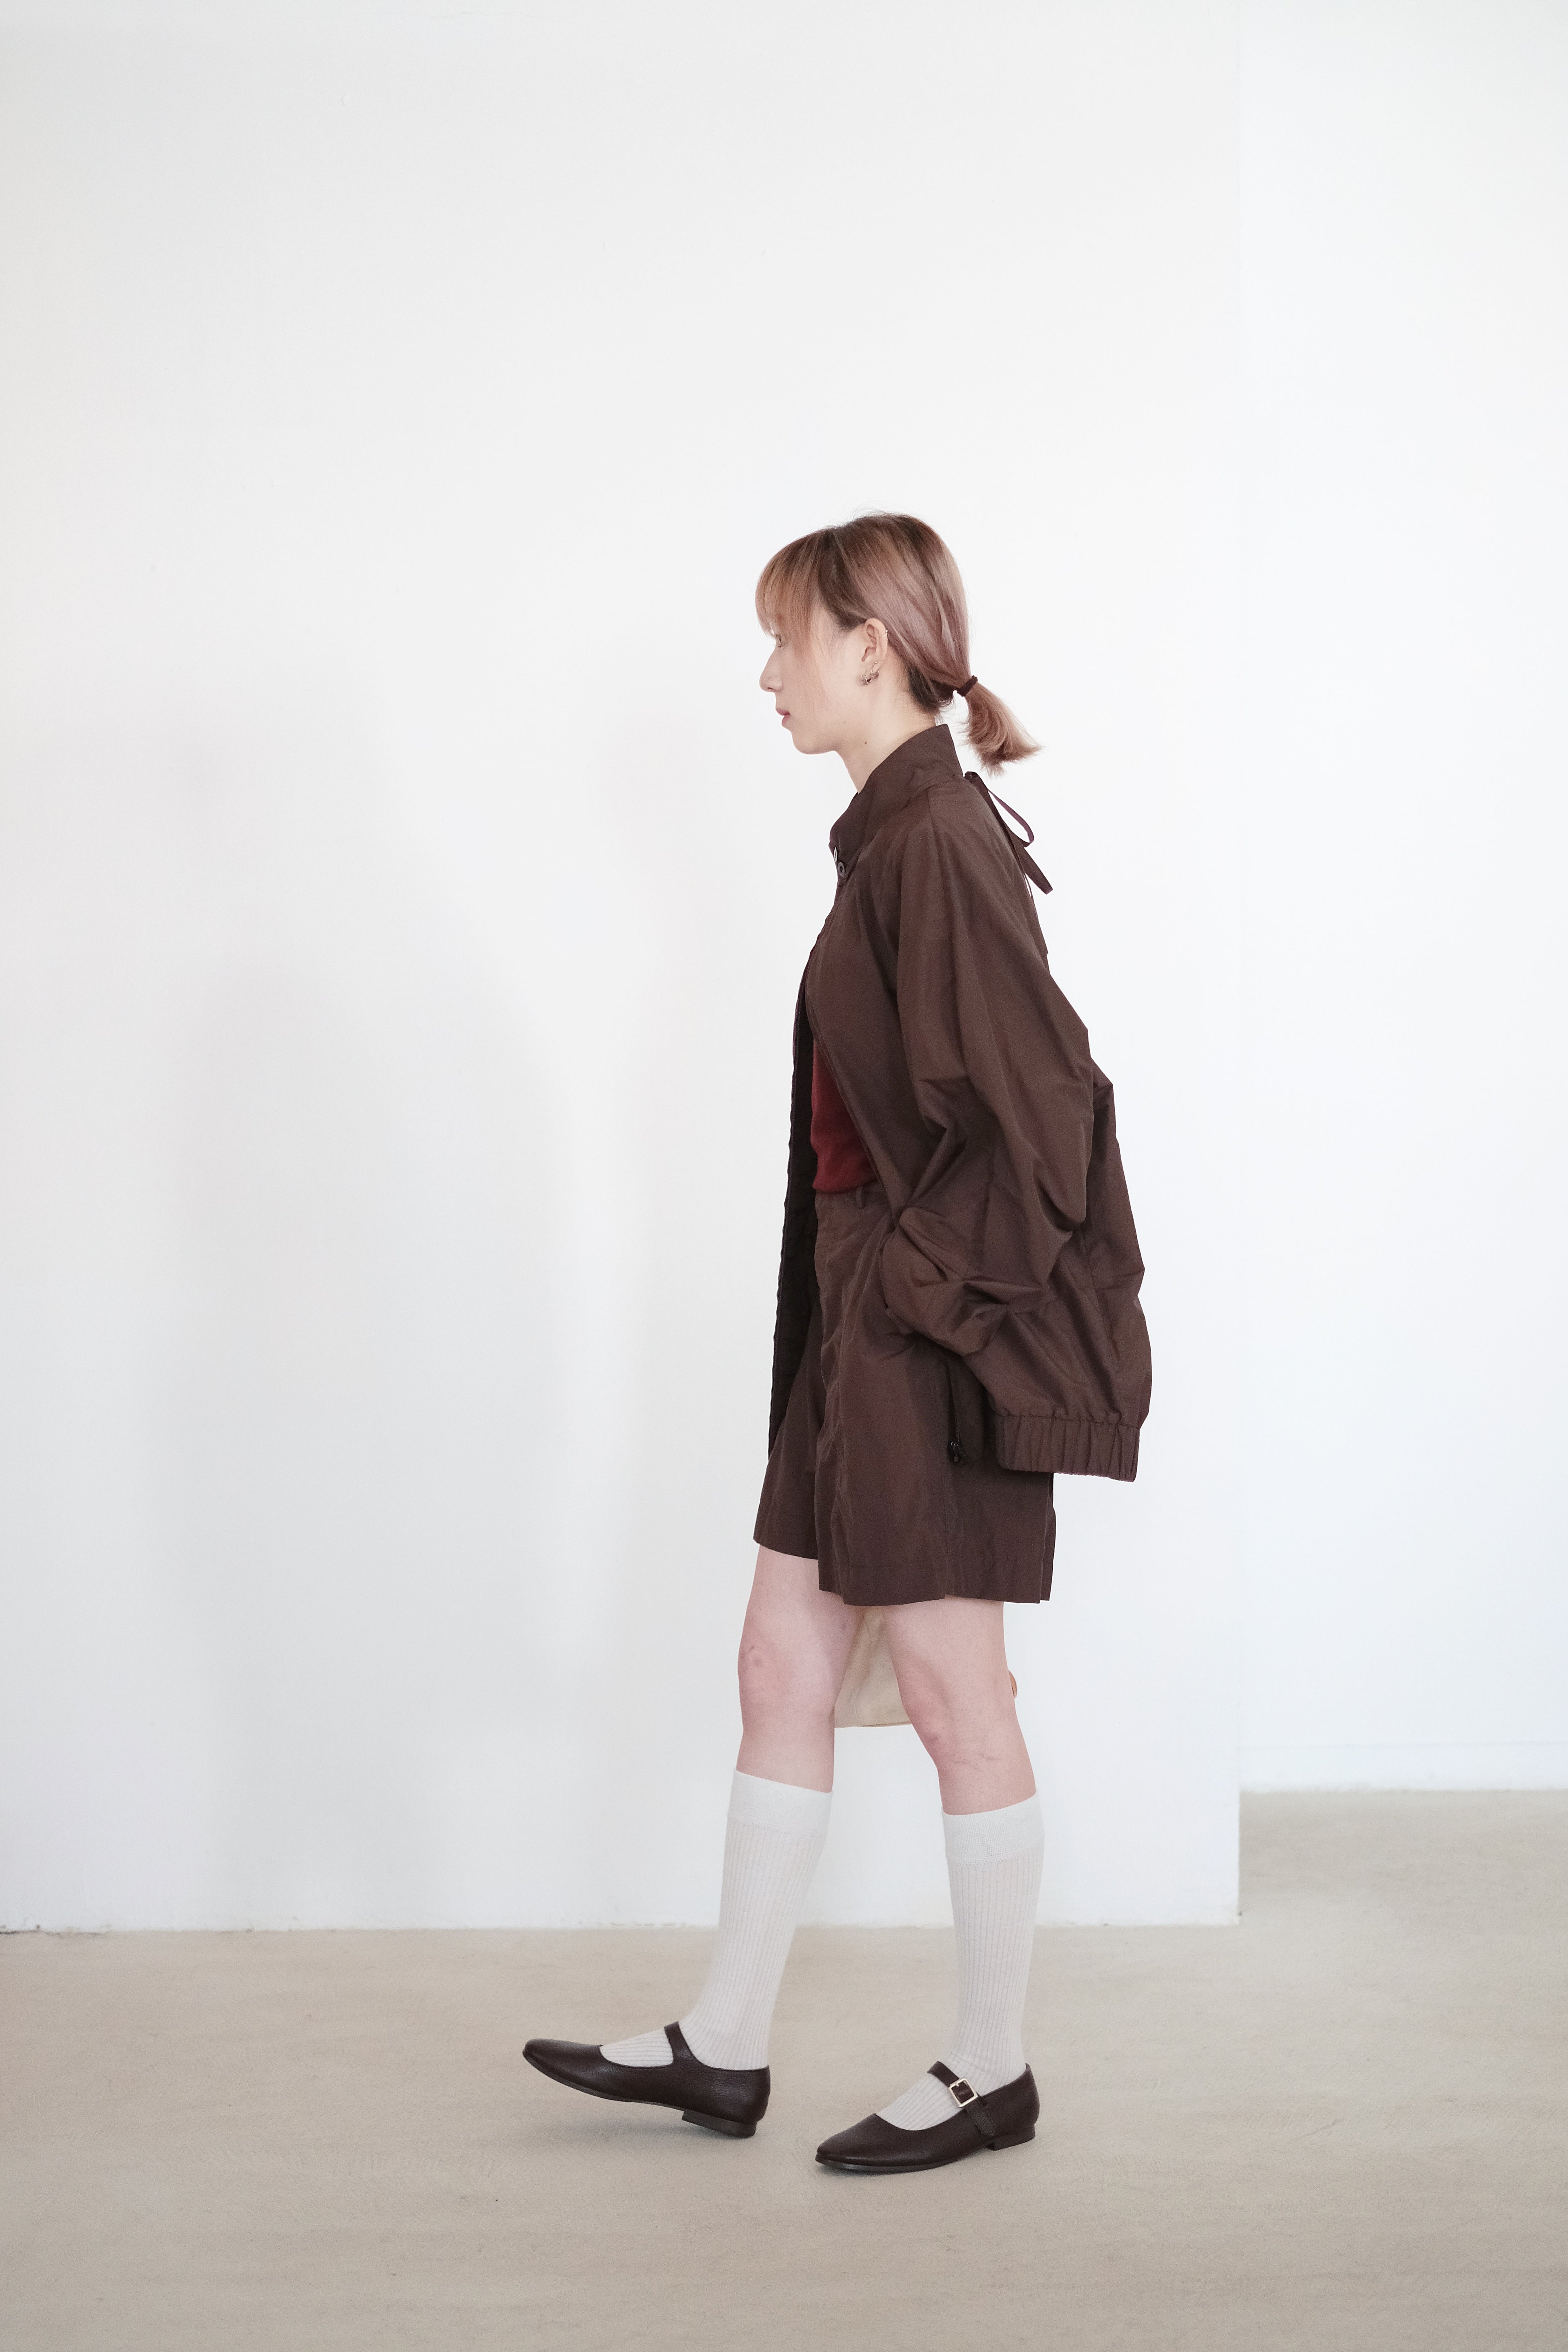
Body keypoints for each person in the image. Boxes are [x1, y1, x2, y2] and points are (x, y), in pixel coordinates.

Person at [525, 513, 1151, 2175]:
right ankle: (725, 2046)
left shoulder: (939, 842)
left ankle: (994, 2069)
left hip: (924, 1346)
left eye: (787, 639)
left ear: (871, 645)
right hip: (860, 1334)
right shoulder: (895, 840)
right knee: (779, 1668)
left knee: (954, 1693)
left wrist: (908, 1308)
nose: (767, 673)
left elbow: (1047, 1132)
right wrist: (860, 1317)